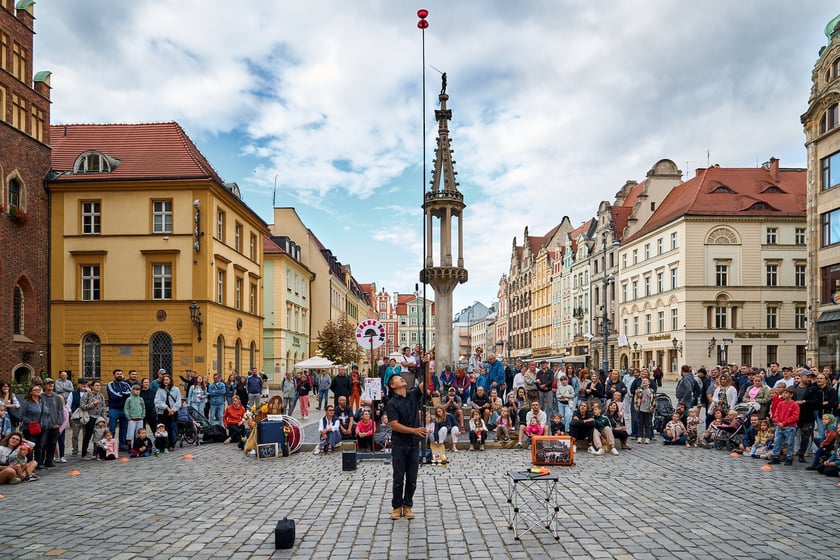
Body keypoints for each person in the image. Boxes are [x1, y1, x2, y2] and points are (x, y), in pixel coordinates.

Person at [385, 374, 425, 521]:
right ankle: (396, 507)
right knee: (398, 477)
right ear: (392, 386)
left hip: (413, 444)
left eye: (402, 377)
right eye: (397, 378)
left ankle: (407, 506)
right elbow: (394, 425)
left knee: (412, 478)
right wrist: (414, 430)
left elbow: (425, 383)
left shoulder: (413, 395)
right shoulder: (392, 403)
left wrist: (427, 366)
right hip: (400, 444)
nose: (401, 379)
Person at [768, 386, 800, 466]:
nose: (784, 395)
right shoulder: (780, 403)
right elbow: (776, 414)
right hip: (779, 426)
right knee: (777, 442)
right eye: (783, 393)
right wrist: (778, 422)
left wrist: (784, 423)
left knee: (790, 443)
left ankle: (789, 457)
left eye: (786, 393)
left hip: (790, 427)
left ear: (791, 394)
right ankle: (775, 456)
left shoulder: (794, 404)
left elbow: (795, 417)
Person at [19, 383, 48, 470]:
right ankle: (29, 464)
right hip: (31, 428)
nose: (38, 391)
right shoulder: (26, 403)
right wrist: (30, 422)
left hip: (42, 427)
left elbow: (47, 412)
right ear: (31, 392)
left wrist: (47, 421)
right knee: (30, 447)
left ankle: (38, 463)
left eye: (39, 390)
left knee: (40, 446)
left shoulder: (43, 401)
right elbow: (21, 416)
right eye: (35, 390)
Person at [79, 381, 107, 460]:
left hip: (99, 418)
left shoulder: (101, 395)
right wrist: (93, 404)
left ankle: (97, 453)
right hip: (90, 417)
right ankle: (83, 454)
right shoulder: (87, 394)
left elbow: (104, 408)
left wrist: (104, 419)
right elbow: (82, 406)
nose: (98, 387)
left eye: (99, 385)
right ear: (92, 387)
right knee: (88, 436)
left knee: (99, 436)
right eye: (96, 385)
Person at [40, 378, 65, 467]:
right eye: (48, 384)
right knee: (43, 444)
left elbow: (60, 411)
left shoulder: (57, 397)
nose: (50, 385)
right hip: (44, 425)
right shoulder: (41, 397)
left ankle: (49, 461)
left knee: (52, 444)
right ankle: (40, 461)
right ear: (45, 385)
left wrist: (59, 423)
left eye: (52, 383)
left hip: (55, 425)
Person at [106, 369, 132, 451]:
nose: (119, 375)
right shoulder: (110, 384)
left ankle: (122, 445)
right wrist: (124, 394)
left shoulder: (126, 384)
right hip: (114, 409)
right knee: (112, 429)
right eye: (117, 374)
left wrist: (122, 394)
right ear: (114, 375)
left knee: (124, 429)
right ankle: (111, 445)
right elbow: (113, 395)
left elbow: (131, 393)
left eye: (121, 373)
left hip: (124, 409)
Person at [154, 375, 182, 451]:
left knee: (171, 429)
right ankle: (161, 446)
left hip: (173, 413)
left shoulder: (176, 389)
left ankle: (171, 444)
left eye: (167, 380)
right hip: (162, 412)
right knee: (161, 429)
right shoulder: (160, 389)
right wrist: (167, 408)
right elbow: (157, 401)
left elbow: (178, 401)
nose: (166, 381)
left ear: (170, 381)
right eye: (164, 380)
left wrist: (172, 410)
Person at [634, 377, 656, 444]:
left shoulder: (651, 391)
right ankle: (640, 437)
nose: (644, 382)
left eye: (645, 381)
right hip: (640, 409)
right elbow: (635, 399)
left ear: (649, 383)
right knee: (640, 424)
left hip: (648, 410)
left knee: (647, 424)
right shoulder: (639, 390)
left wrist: (652, 408)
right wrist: (636, 407)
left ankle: (647, 437)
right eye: (643, 381)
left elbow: (654, 401)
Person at [124, 384, 146, 450]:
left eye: (138, 390)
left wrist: (143, 415)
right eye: (135, 390)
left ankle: (137, 446)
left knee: (139, 434)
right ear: (132, 390)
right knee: (130, 434)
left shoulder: (141, 399)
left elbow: (143, 408)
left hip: (140, 419)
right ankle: (129, 447)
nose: (137, 391)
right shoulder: (129, 399)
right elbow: (126, 408)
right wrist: (128, 417)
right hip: (132, 419)